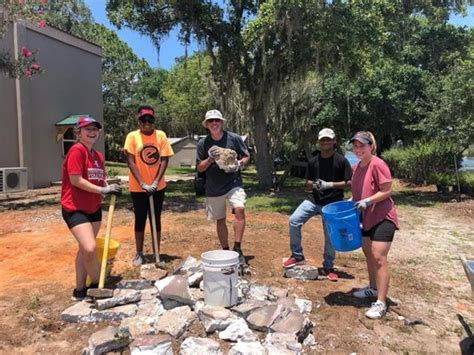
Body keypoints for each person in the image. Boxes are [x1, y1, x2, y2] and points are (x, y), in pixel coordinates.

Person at [61, 116, 121, 301]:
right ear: (78, 132)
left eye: (95, 129)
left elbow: (96, 178)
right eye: (88, 129)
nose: (92, 132)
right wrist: (103, 189)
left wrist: (110, 185)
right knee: (89, 248)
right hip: (75, 208)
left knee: (83, 249)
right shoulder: (76, 151)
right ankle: (96, 283)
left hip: (93, 208)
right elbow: (76, 180)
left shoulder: (97, 155)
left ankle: (80, 289)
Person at [282, 128, 352, 281]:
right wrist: (315, 185)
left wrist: (330, 185)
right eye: (322, 140)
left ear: (334, 141)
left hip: (333, 203)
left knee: (330, 235)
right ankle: (297, 255)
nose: (325, 142)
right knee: (294, 220)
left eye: (328, 139)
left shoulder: (341, 160)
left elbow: (349, 183)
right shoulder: (313, 161)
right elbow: (306, 183)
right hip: (314, 200)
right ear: (319, 142)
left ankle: (328, 266)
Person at [350, 131, 399, 319]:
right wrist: (353, 201)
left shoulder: (378, 164)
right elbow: (358, 191)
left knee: (379, 257)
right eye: (355, 146)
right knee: (368, 254)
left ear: (371, 146)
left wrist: (368, 201)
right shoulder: (356, 168)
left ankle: (381, 302)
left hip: (383, 217)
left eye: (362, 145)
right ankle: (372, 288)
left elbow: (387, 190)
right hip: (366, 218)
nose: (358, 149)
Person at [196, 109, 250, 261]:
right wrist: (210, 159)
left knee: (239, 209)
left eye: (217, 120)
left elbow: (246, 156)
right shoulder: (203, 143)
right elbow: (200, 167)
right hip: (213, 186)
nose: (214, 123)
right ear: (206, 125)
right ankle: (226, 250)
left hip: (233, 182)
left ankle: (238, 248)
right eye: (211, 121)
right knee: (220, 219)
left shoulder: (234, 138)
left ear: (222, 122)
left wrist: (239, 164)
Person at [124, 105, 174, 266]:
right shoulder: (132, 136)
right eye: (143, 120)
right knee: (140, 219)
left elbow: (165, 159)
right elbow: (131, 161)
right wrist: (142, 183)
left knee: (155, 219)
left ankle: (156, 253)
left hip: (157, 187)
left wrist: (155, 182)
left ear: (154, 121)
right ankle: (139, 253)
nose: (147, 123)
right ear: (138, 121)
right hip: (138, 188)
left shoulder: (161, 135)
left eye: (150, 120)